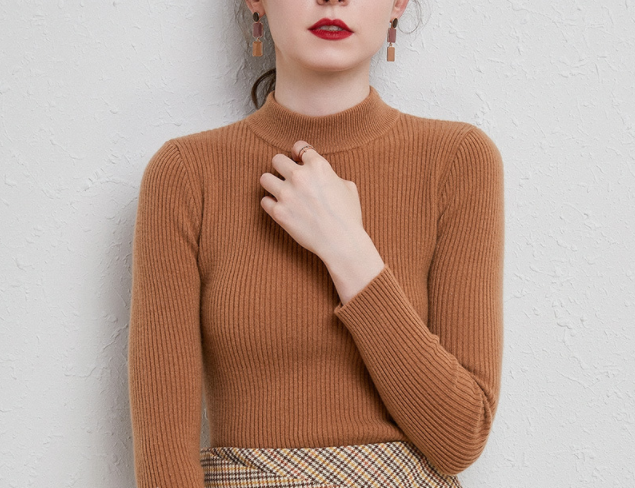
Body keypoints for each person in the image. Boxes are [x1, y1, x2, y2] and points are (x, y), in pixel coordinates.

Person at [127, 0, 505, 487]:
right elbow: (165, 463)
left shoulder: (458, 162)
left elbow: (459, 439)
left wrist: (347, 247)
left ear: (397, 4)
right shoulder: (186, 175)